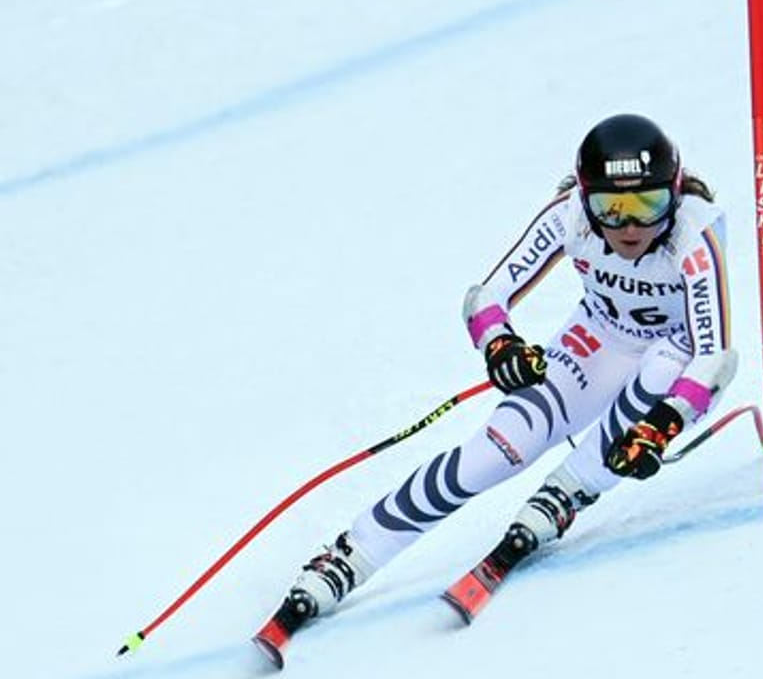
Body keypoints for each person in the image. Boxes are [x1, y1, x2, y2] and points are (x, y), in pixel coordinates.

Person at [255, 113, 738, 657]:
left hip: (672, 352)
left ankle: (573, 485)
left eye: (647, 206)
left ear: (673, 195)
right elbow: (484, 298)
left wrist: (666, 421)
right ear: (586, 199)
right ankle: (352, 552)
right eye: (610, 208)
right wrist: (500, 345)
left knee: (653, 386)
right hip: (596, 341)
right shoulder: (569, 218)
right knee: (494, 453)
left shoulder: (695, 236)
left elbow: (715, 354)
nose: (629, 226)